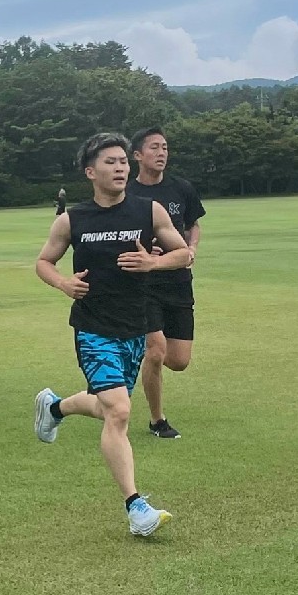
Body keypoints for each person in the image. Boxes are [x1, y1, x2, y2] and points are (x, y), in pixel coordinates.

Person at [34, 132, 190, 536]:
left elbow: (184, 253)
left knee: (108, 408)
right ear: (91, 172)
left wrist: (153, 263)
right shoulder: (72, 220)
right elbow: (44, 262)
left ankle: (55, 408)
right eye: (111, 162)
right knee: (119, 410)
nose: (120, 168)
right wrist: (63, 283)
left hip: (135, 326)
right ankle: (136, 507)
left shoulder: (149, 211)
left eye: (123, 161)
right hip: (92, 328)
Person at [128, 127, 206, 439]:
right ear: (137, 155)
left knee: (178, 360)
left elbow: (193, 224)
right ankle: (157, 420)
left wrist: (191, 248)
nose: (161, 153)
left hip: (178, 282)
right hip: (143, 285)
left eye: (165, 147)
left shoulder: (181, 188)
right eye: (154, 147)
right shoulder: (128, 193)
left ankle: (138, 348)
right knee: (156, 351)